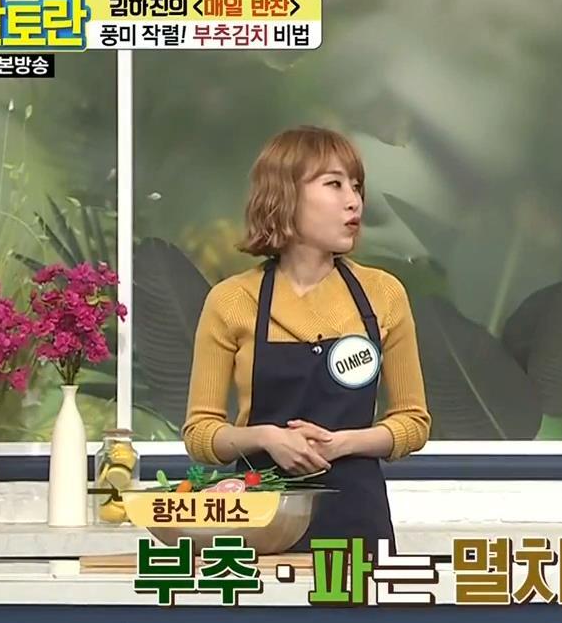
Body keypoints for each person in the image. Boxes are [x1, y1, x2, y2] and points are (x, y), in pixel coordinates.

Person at [182, 125, 431, 553]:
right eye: (334, 184)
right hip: (261, 528)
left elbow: (414, 422)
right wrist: (265, 438)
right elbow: (200, 434)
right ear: (285, 195)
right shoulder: (232, 301)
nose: (354, 201)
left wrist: (343, 444)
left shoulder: (383, 294)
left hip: (357, 528)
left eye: (356, 186)